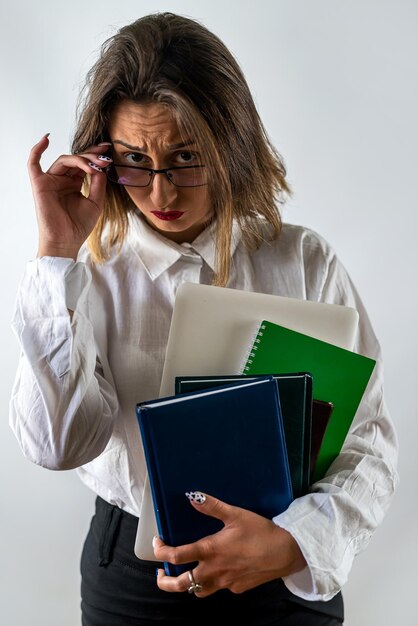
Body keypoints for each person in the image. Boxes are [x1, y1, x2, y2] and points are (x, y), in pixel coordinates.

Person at [9, 12, 398, 626]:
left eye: (186, 156)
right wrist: (56, 256)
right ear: (102, 159)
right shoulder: (87, 275)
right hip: (135, 579)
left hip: (283, 565)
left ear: (230, 145)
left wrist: (293, 543)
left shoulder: (304, 260)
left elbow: (368, 446)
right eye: (134, 159)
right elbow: (59, 446)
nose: (160, 193)